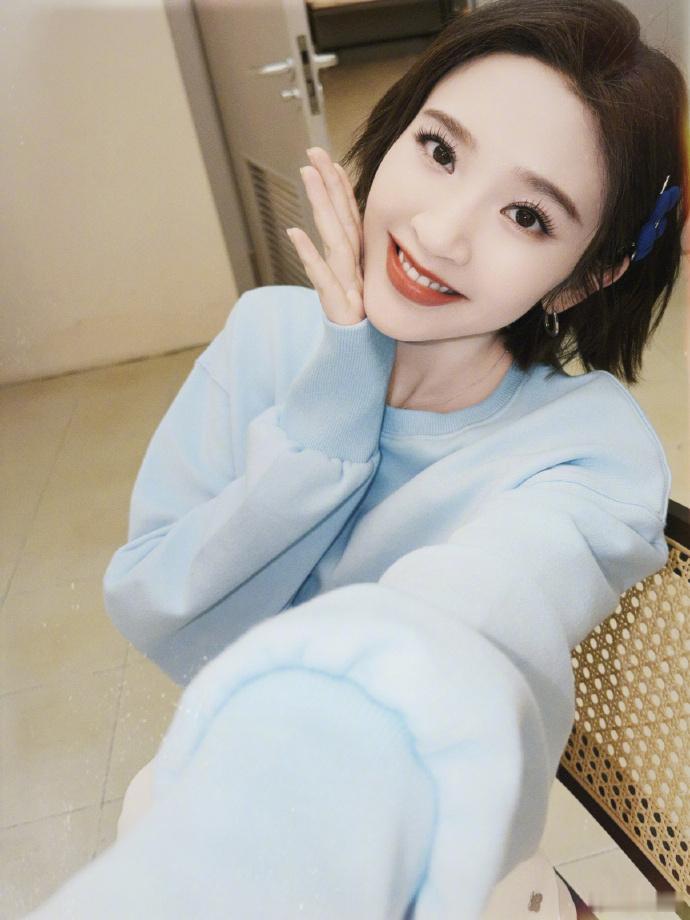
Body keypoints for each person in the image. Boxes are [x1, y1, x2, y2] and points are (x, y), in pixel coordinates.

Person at [28, 0, 687, 917]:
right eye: (440, 150)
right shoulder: (267, 337)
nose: (442, 232)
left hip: (446, 859)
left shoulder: (588, 450)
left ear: (583, 278)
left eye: (528, 215)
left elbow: (469, 620)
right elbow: (159, 607)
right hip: (240, 782)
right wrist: (336, 397)